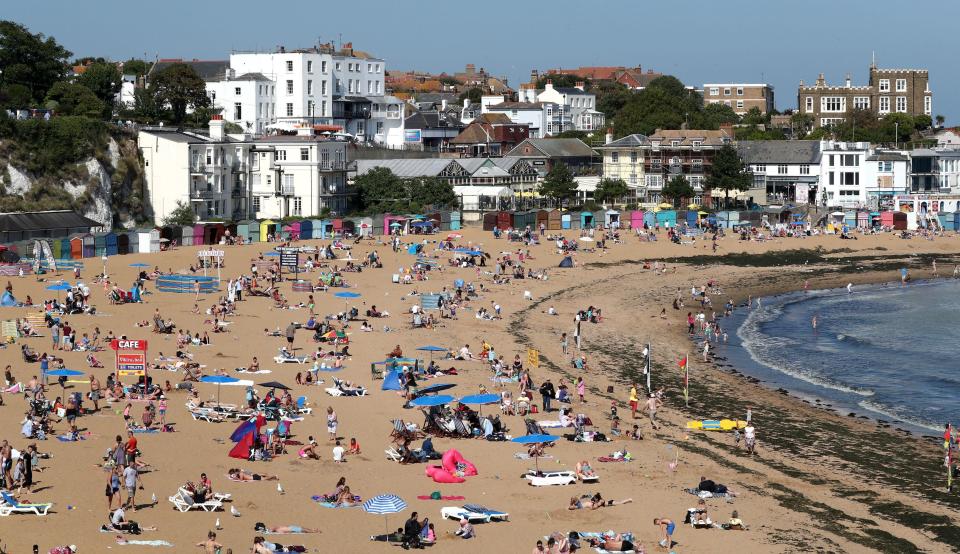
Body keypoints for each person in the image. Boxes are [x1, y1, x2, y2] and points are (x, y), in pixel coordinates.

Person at [253, 522, 320, 534]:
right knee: (303, 529)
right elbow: (272, 530)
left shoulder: (274, 528)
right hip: (290, 528)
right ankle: (313, 530)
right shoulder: (274, 528)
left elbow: (271, 530)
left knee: (303, 530)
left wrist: (267, 530)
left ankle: (314, 531)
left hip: (291, 528)